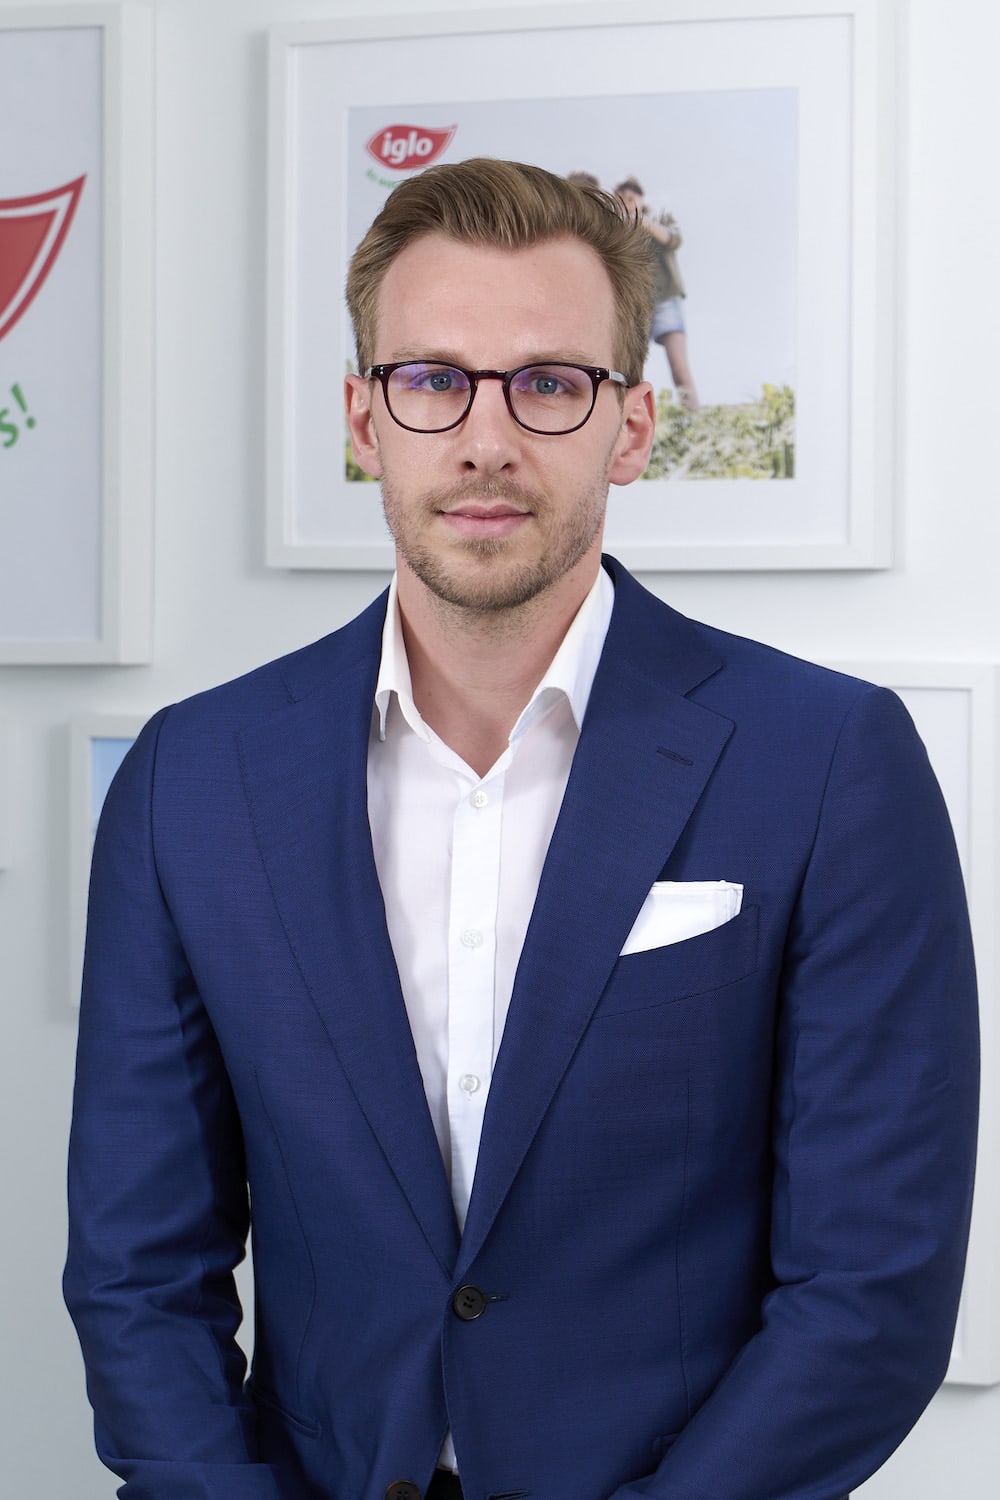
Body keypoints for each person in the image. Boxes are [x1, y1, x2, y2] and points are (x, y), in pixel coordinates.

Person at [64, 158, 978, 1500]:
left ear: (632, 429)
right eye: (433, 379)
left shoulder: (833, 762)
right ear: (364, 420)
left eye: (549, 384)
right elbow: (139, 1270)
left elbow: (872, 1292)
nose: (486, 439)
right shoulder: (191, 779)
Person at [615, 175, 700, 411]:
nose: (627, 202)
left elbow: (673, 239)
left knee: (679, 367)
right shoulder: (616, 229)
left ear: (642, 199)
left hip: (665, 299)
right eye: (621, 198)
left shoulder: (660, 219)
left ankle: (695, 419)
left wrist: (642, 222)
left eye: (631, 198)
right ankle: (631, 419)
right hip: (635, 305)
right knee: (630, 370)